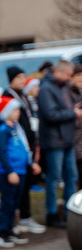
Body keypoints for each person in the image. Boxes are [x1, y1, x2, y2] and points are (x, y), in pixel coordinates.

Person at [37, 60, 81, 228]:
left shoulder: (62, 87)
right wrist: (72, 113)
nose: (71, 78)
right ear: (60, 72)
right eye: (69, 75)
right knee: (54, 179)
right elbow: (51, 115)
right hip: (55, 141)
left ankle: (71, 214)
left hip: (67, 140)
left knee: (71, 178)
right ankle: (51, 213)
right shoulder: (46, 88)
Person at [2, 66, 45, 234]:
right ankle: (17, 220)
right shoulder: (7, 96)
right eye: (19, 77)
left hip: (28, 146)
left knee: (26, 184)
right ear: (11, 79)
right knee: (17, 188)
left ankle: (25, 217)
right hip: (17, 148)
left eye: (23, 77)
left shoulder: (24, 96)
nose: (22, 80)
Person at [0, 96, 37, 248]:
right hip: (9, 172)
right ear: (6, 112)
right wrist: (10, 171)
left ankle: (11, 229)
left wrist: (31, 163)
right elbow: (3, 152)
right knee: (8, 202)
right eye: (15, 110)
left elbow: (24, 148)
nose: (18, 112)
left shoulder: (16, 129)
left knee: (15, 202)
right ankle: (2, 233)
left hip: (21, 170)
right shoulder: (3, 130)